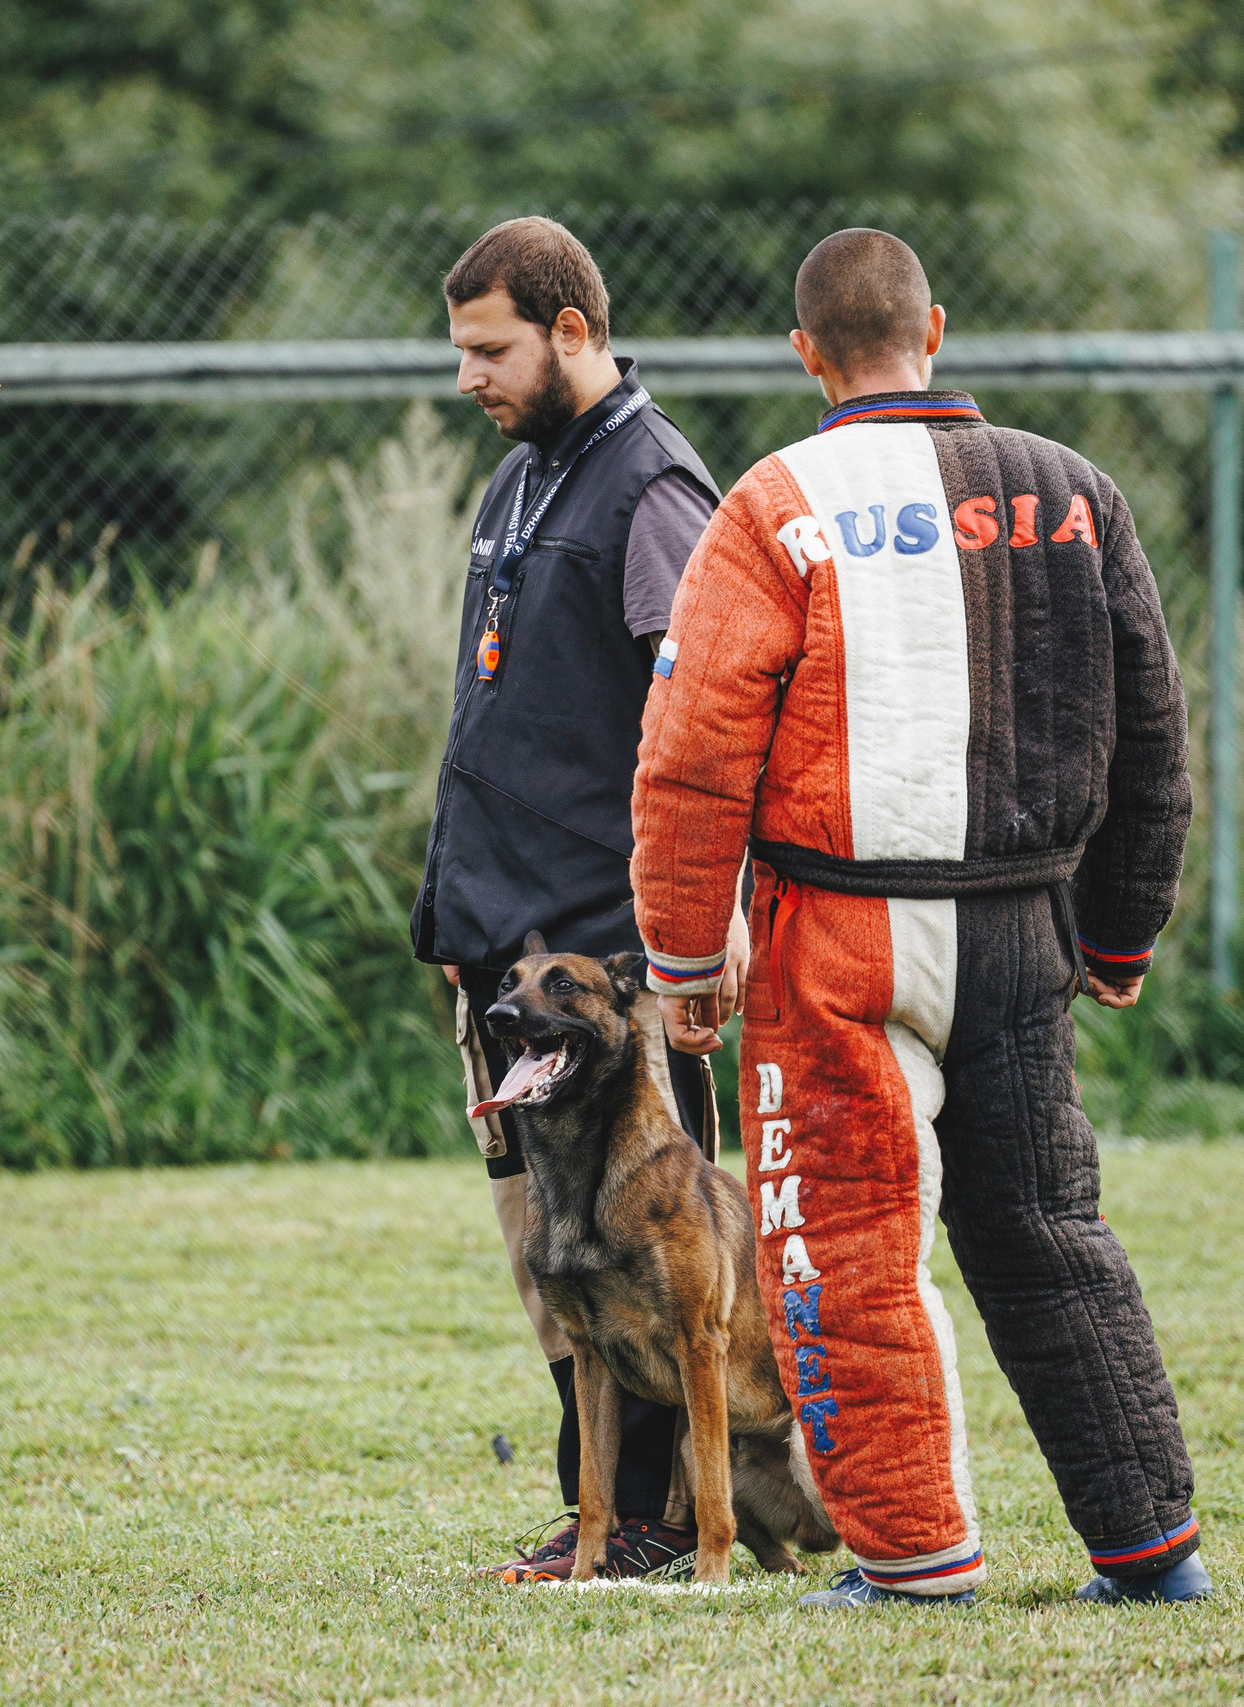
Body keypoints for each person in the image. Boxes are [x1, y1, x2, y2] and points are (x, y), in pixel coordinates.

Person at [628, 228, 1211, 1608]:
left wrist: (685, 954)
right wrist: (1120, 930)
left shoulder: (774, 506)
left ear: (805, 353)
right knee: (1049, 1230)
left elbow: (693, 749)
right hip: (1024, 928)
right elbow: (1155, 733)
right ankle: (1152, 1555)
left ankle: (913, 1560)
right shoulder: (1076, 494)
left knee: (847, 1242)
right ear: (934, 328)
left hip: (840, 936)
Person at [411, 215, 745, 1583]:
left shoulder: (650, 486)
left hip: (609, 969)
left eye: (488, 350)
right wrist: (456, 922)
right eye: (458, 352)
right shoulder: (524, 480)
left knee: (647, 1250)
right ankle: (599, 1514)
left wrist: (696, 922)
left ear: (569, 331)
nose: (468, 378)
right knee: (548, 1255)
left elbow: (707, 713)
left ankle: (664, 1525)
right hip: (506, 953)